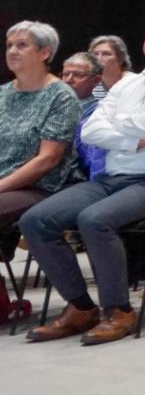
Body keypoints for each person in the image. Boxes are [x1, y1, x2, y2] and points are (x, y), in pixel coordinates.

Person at [23, 8, 145, 344]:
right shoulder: (131, 84)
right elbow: (91, 130)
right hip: (115, 178)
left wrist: (125, 125)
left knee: (95, 220)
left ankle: (118, 311)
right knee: (35, 220)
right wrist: (138, 139)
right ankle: (81, 308)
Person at [0, 22, 82, 241]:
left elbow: (47, 159)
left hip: (38, 187)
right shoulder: (3, 93)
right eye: (9, 45)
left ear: (44, 52)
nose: (12, 51)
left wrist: (1, 186)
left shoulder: (61, 96)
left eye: (22, 45)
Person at [60, 51, 108, 179]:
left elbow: (95, 162)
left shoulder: (100, 114)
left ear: (96, 80)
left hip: (70, 179)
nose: (69, 80)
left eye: (78, 75)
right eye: (65, 74)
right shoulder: (47, 105)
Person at [87, 34, 134, 101]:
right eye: (95, 54)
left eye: (106, 54)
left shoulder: (134, 82)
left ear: (120, 59)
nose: (98, 58)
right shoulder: (93, 86)